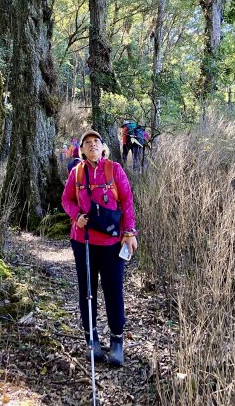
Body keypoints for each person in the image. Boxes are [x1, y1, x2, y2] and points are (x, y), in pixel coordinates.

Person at [61, 130, 138, 366]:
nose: (92, 145)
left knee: (113, 290)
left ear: (102, 147)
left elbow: (126, 201)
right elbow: (67, 200)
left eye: (96, 142)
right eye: (87, 143)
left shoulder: (114, 169)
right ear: (81, 150)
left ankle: (117, 342)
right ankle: (91, 340)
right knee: (87, 291)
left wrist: (129, 232)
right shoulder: (76, 172)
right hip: (82, 241)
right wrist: (76, 216)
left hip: (112, 243)